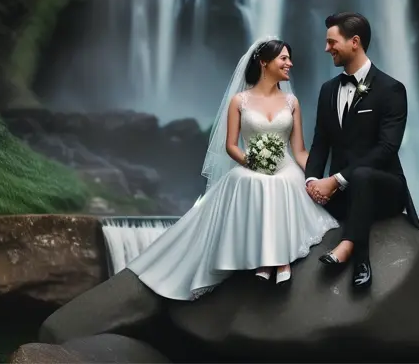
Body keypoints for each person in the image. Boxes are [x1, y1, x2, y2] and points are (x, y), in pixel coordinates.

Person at [127, 37, 339, 301]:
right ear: (264, 62)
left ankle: (277, 261)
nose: (290, 64)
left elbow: (299, 151)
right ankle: (267, 261)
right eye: (284, 58)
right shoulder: (239, 100)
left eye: (289, 58)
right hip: (250, 164)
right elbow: (230, 145)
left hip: (284, 167)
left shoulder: (291, 102)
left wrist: (315, 177)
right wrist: (252, 162)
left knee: (281, 183)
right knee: (249, 181)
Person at [305, 12, 419, 289]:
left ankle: (358, 258)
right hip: (342, 192)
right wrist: (312, 181)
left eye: (332, 42)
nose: (326, 49)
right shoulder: (327, 90)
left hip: (384, 188)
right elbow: (320, 143)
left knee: (362, 176)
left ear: (354, 42)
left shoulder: (391, 89)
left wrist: (335, 180)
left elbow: (386, 148)